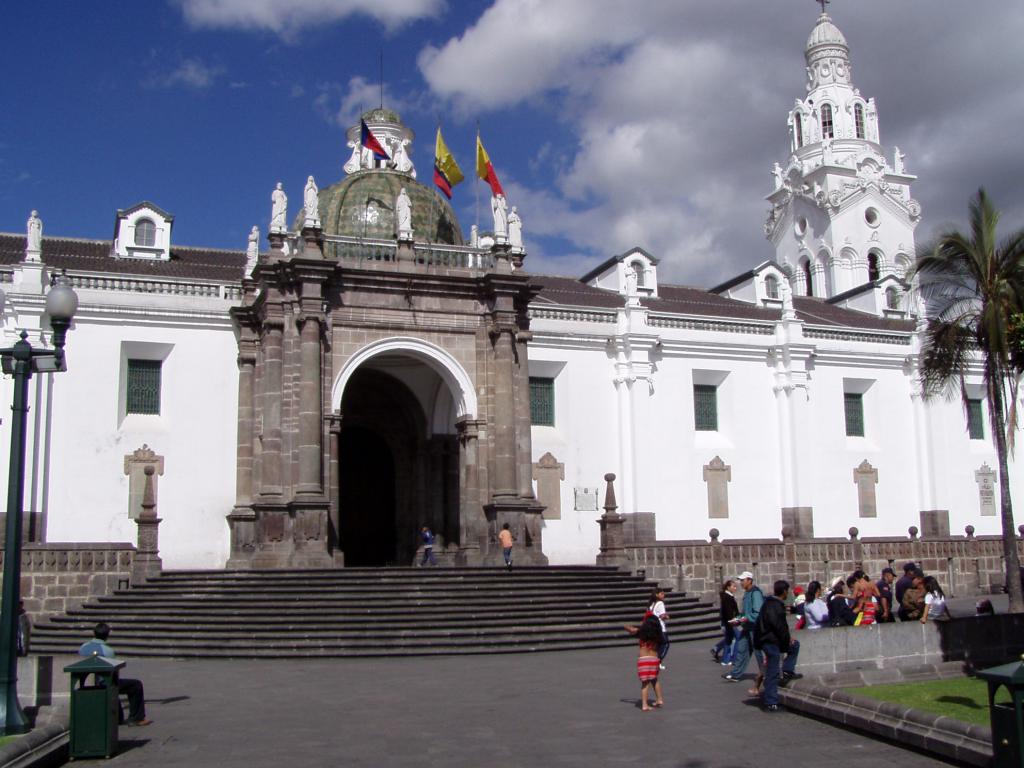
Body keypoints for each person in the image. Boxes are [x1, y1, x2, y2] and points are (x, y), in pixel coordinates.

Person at [78, 623, 152, 726]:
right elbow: (113, 670)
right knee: (136, 685)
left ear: (94, 633)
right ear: (107, 635)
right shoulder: (108, 651)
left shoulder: (83, 647)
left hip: (86, 682)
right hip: (104, 683)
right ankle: (136, 718)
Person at [753, 580, 801, 712]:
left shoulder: (771, 603)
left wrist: (788, 638)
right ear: (784, 591)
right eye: (788, 591)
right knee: (773, 671)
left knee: (794, 646)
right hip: (770, 641)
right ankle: (771, 703)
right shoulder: (774, 605)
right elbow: (778, 626)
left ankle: (787, 671)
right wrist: (786, 639)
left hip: (771, 639)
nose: (788, 593)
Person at [724, 571, 764, 682]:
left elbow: (758, 612)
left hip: (754, 628)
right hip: (747, 626)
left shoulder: (755, 593)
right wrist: (738, 619)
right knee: (741, 649)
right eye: (740, 580)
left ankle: (765, 673)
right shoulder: (747, 593)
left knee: (758, 652)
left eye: (743, 580)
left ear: (749, 580)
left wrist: (745, 618)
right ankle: (736, 674)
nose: (741, 582)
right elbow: (745, 612)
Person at [636, 616, 664, 711]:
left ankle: (644, 704)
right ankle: (659, 699)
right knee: (654, 679)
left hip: (644, 660)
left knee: (645, 683)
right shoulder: (658, 635)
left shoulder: (642, 634)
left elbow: (632, 630)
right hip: (654, 659)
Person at [712, 579, 740, 664]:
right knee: (737, 637)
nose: (735, 588)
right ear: (728, 587)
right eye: (733, 586)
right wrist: (733, 621)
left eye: (735, 586)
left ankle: (724, 657)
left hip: (729, 622)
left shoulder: (728, 596)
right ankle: (732, 658)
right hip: (730, 622)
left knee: (729, 639)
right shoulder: (727, 597)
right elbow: (728, 612)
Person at [648, 588, 670, 670]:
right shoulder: (660, 603)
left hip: (654, 627)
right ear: (657, 595)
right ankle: (658, 661)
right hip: (660, 627)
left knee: (658, 645)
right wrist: (667, 616)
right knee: (665, 644)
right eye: (662, 594)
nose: (663, 595)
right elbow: (662, 616)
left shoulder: (652, 604)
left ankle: (655, 662)